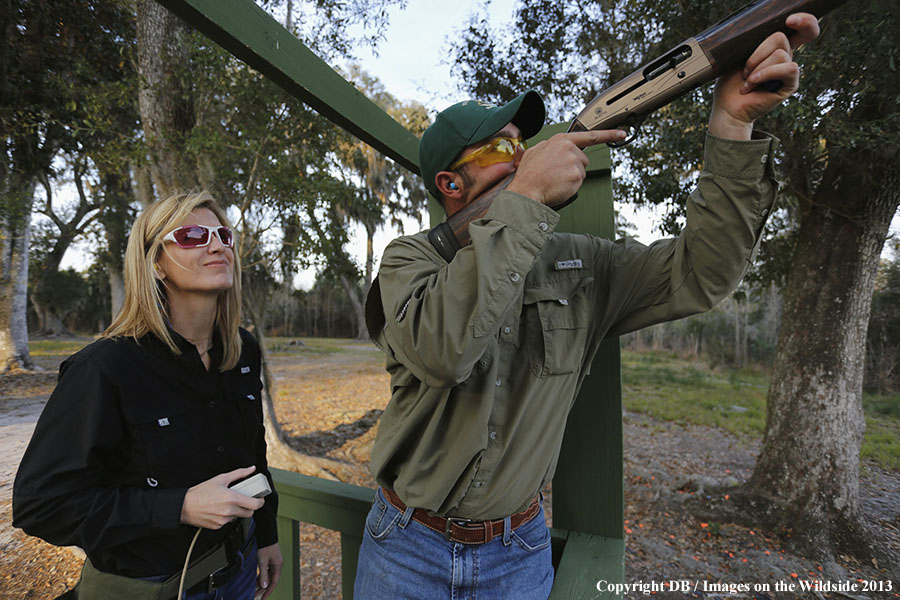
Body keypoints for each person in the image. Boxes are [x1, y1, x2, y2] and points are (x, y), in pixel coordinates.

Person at [354, 13, 821, 600]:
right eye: (504, 149)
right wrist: (525, 196)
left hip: (515, 553)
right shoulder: (409, 262)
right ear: (451, 185)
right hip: (406, 546)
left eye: (526, 146)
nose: (525, 157)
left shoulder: (581, 262)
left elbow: (703, 274)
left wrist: (731, 124)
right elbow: (444, 351)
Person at [13, 191, 283, 600]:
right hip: (153, 589)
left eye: (223, 235)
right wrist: (180, 506)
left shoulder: (241, 350)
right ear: (155, 263)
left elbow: (253, 455)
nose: (216, 245)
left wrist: (266, 535)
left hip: (239, 571)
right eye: (192, 235)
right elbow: (40, 504)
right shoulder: (106, 367)